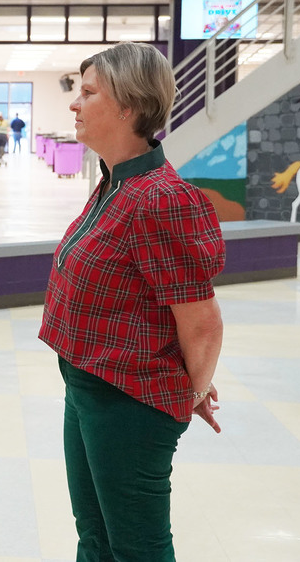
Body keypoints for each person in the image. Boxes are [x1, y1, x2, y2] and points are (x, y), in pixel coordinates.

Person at [38, 42, 225, 561]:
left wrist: (190, 389)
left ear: (129, 106)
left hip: (128, 402)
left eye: (89, 92)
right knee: (95, 536)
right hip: (88, 386)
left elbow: (202, 325)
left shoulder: (159, 199)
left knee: (137, 547)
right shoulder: (114, 185)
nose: (75, 103)